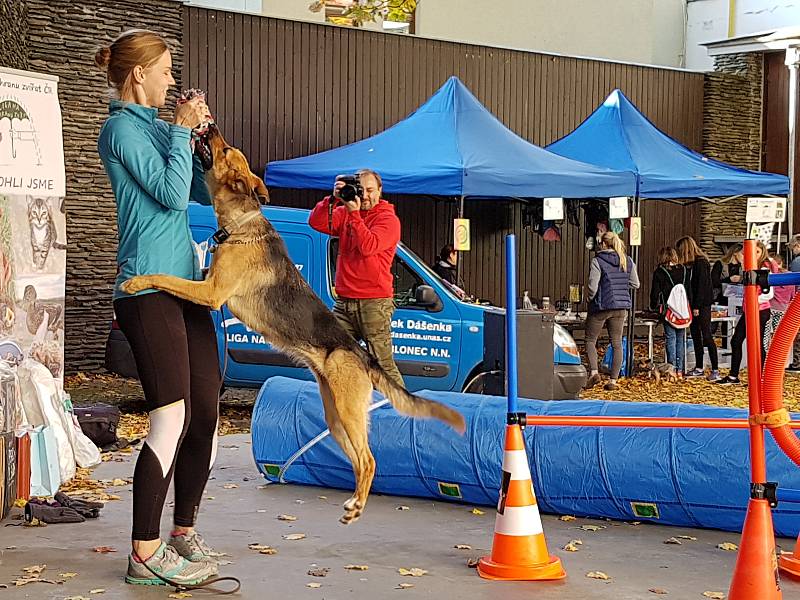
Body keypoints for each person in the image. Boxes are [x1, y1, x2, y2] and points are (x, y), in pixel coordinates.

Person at [96, 30, 222, 586]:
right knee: (170, 416)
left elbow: (195, 191)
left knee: (207, 412)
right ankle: (143, 554)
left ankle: (183, 534)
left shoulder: (157, 128)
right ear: (139, 74)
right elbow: (167, 196)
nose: (173, 81)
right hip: (146, 290)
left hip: (185, 286)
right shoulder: (121, 127)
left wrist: (203, 138)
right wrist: (178, 128)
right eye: (166, 70)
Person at [308, 170, 404, 388]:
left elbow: (368, 246)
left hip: (374, 303)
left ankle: (402, 416)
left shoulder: (388, 219)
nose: (366, 196)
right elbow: (316, 222)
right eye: (362, 190)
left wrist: (354, 214)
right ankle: (344, 405)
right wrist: (332, 198)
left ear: (380, 191)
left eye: (370, 190)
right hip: (344, 301)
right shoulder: (345, 211)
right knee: (330, 354)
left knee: (382, 364)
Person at [584, 231, 640, 391]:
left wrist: (590, 299)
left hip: (601, 306)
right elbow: (635, 284)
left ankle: (594, 372)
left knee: (590, 340)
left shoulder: (598, 260)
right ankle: (613, 381)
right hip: (620, 307)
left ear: (603, 244)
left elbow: (592, 287)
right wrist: (620, 288)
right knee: (616, 343)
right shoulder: (627, 260)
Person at [716, 241, 775, 385]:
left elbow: (769, 293)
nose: (754, 255)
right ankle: (734, 375)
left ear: (762, 254)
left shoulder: (764, 268)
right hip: (749, 310)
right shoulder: (749, 268)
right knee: (736, 340)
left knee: (757, 344)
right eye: (751, 252)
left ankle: (760, 378)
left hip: (760, 310)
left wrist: (754, 301)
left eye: (757, 252)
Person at [676, 236, 720, 381]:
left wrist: (696, 305)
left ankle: (715, 368)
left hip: (702, 304)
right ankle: (699, 367)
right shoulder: (693, 264)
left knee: (706, 335)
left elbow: (701, 286)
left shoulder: (700, 264)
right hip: (695, 302)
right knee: (695, 335)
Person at [650, 246, 690, 377]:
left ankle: (671, 367)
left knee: (671, 338)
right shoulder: (684, 270)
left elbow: (655, 293)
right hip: (683, 310)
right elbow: (688, 290)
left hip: (669, 310)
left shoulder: (660, 272)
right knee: (680, 338)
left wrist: (653, 306)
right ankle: (680, 369)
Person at [787, 235, 800, 371]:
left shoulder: (797, 262)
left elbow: (793, 284)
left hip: (797, 302)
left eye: (792, 247)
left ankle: (797, 363)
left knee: (797, 334)